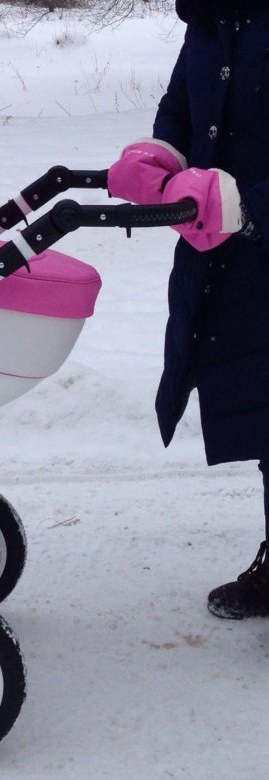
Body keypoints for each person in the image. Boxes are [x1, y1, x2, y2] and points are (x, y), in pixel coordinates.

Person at [107, 0, 269, 619]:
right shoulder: (210, 19)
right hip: (234, 263)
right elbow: (182, 108)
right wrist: (159, 156)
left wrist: (250, 205)